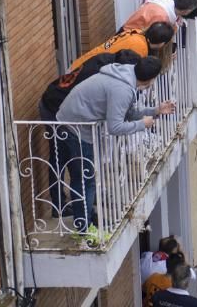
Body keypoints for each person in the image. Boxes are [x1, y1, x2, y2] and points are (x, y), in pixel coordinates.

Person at [56, 58, 175, 231]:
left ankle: (85, 219)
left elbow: (128, 113)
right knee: (86, 179)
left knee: (81, 177)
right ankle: (84, 229)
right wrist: (143, 124)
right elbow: (115, 126)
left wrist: (155, 111)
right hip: (76, 128)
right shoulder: (123, 89)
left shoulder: (126, 73)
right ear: (150, 79)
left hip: (71, 120)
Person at [39, 49, 142, 215]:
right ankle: (62, 206)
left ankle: (78, 207)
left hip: (67, 111)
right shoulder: (102, 76)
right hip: (54, 106)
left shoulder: (107, 65)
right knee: (61, 159)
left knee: (76, 166)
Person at [70, 23, 174, 71]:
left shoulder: (136, 33)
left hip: (81, 65)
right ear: (162, 43)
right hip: (84, 73)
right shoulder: (140, 49)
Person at [123, 0, 197, 31]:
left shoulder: (163, 0)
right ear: (187, 10)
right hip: (129, 40)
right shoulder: (162, 18)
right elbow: (154, 41)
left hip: (127, 31)